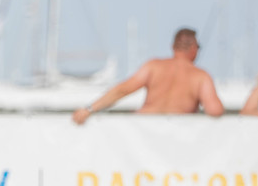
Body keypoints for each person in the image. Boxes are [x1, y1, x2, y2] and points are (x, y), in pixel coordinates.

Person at [72, 28, 224, 124]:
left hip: (143, 129)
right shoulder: (200, 76)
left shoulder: (153, 66)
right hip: (176, 136)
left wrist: (89, 109)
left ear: (173, 46)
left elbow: (121, 90)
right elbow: (215, 110)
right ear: (193, 48)